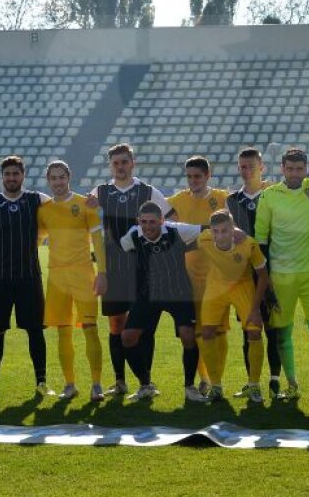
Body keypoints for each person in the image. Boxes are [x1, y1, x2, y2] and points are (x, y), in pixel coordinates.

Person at [90, 143, 173, 397]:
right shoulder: (100, 192)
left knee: (143, 326)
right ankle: (120, 381)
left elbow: (170, 220)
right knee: (116, 325)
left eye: (124, 162)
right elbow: (89, 227)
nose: (120, 166)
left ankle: (145, 383)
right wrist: (98, 266)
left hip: (144, 271)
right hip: (113, 270)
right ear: (110, 165)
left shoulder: (148, 191)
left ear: (132, 163)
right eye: (115, 163)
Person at [0, 156, 53, 399]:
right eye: (7, 174)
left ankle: (41, 382)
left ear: (23, 176)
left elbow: (62, 204)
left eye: (16, 174)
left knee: (36, 331)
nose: (11, 178)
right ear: (2, 177)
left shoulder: (37, 200)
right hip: (0, 278)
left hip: (29, 278)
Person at [254, 148, 309, 401]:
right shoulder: (269, 196)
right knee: (283, 333)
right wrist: (266, 280)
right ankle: (292, 384)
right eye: (290, 169)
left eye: (299, 169)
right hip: (281, 276)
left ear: (306, 169)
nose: (295, 174)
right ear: (282, 169)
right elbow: (260, 240)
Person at [118, 203, 203, 402]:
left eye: (153, 222)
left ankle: (190, 387)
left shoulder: (178, 230)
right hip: (148, 294)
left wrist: (235, 232)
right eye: (144, 222)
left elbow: (207, 229)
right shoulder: (132, 235)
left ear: (162, 220)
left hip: (179, 292)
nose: (148, 227)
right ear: (138, 221)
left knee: (187, 335)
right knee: (128, 337)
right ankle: (145, 385)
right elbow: (122, 252)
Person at [39, 160, 106, 402]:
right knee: (63, 333)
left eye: (61, 177)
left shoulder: (84, 204)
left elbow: (98, 241)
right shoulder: (44, 210)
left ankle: (97, 385)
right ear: (49, 181)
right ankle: (70, 385)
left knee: (90, 330)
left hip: (83, 275)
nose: (57, 182)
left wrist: (103, 272)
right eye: (53, 178)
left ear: (69, 177)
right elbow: (35, 239)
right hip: (56, 277)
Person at [167, 156, 231, 401]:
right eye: (190, 176)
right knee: (196, 333)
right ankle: (205, 379)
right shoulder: (177, 201)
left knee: (218, 331)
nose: (193, 181)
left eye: (198, 176)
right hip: (188, 279)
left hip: (217, 276)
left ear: (208, 175)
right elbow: (149, 211)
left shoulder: (223, 198)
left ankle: (216, 382)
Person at [194, 210, 270, 402]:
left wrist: (255, 309)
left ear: (232, 228)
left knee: (254, 331)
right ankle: (216, 386)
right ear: (210, 231)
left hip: (242, 286)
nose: (220, 236)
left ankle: (254, 385)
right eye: (216, 231)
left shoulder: (248, 244)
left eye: (225, 230)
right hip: (216, 286)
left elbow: (263, 276)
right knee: (207, 332)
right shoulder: (204, 239)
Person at [226, 147, 284, 399]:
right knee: (250, 329)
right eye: (242, 166)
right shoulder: (232, 200)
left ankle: (274, 380)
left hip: (275, 270)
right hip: (245, 275)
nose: (246, 170)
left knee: (274, 328)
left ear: (262, 167)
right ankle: (252, 383)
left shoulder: (274, 195)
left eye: (250, 165)